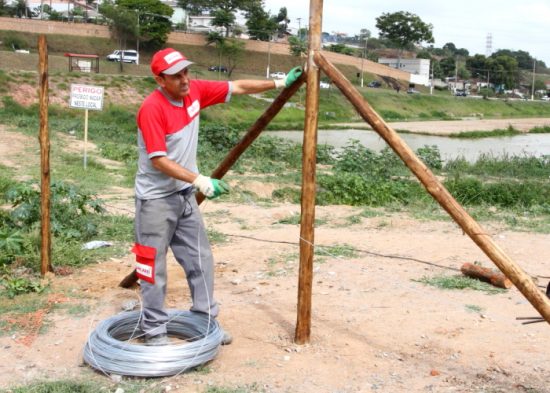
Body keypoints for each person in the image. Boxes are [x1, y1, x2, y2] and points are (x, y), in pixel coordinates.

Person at [131, 48, 302, 346]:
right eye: (176, 76)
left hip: (183, 197)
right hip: (155, 202)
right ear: (160, 80)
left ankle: (205, 322)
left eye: (186, 71)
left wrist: (279, 83)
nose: (184, 79)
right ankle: (154, 332)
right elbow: (158, 159)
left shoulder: (195, 91)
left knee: (200, 259)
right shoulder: (152, 109)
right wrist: (199, 179)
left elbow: (237, 87)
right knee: (152, 268)